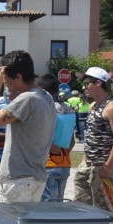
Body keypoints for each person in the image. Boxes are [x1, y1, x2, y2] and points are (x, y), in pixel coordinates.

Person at [0, 50, 55, 203]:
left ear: (18, 77)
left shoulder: (27, 99)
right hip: (36, 177)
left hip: (17, 179)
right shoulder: (46, 97)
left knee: (10, 219)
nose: (5, 84)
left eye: (5, 79)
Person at [74, 67, 113, 211]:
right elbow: (91, 135)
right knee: (81, 208)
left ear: (98, 83)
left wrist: (107, 167)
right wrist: (84, 160)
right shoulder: (92, 106)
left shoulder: (112, 108)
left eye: (86, 83)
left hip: (103, 166)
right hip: (88, 164)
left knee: (103, 211)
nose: (83, 88)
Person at [37, 73, 76, 202]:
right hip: (65, 163)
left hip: (47, 163)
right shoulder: (70, 110)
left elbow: (38, 135)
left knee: (46, 207)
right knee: (58, 206)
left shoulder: (46, 109)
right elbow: (72, 141)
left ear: (41, 90)